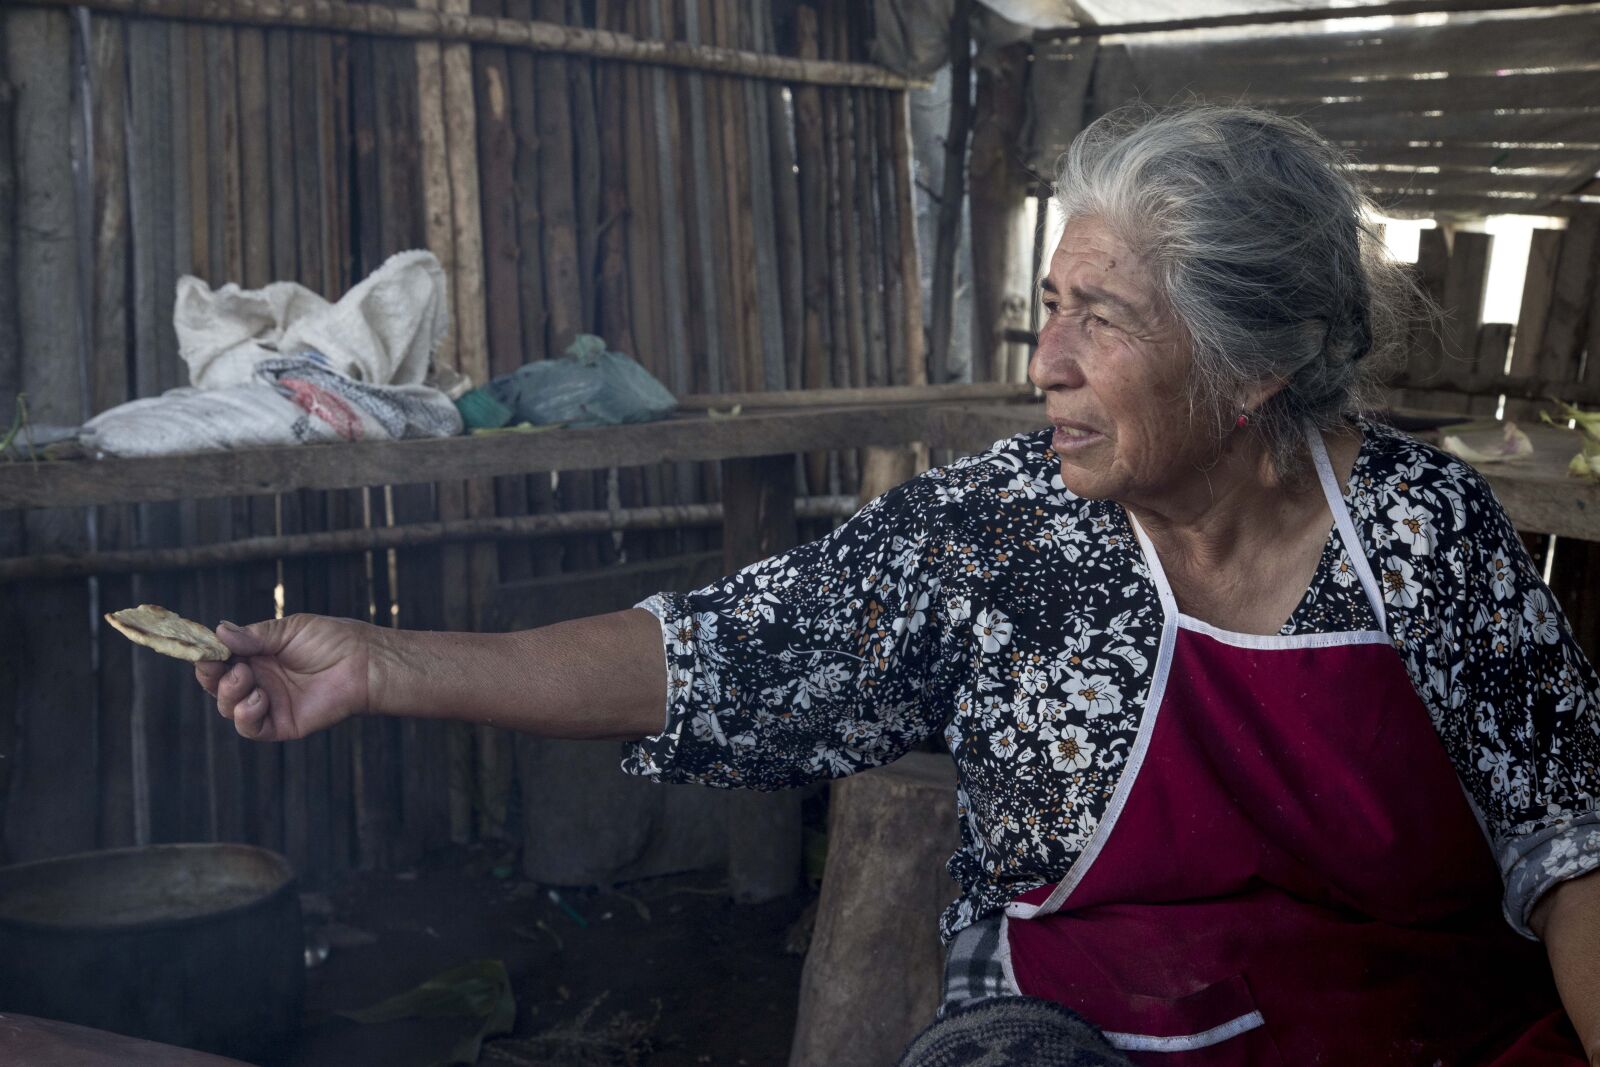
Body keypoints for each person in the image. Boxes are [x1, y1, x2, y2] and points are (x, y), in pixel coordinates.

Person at [197, 105, 1600, 1065]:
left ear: (1251, 371)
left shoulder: (1426, 536)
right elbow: (714, 657)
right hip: (1075, 1032)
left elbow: (1571, 844)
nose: (1043, 361)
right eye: (1051, 306)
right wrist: (383, 664)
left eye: (1097, 320)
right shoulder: (995, 533)